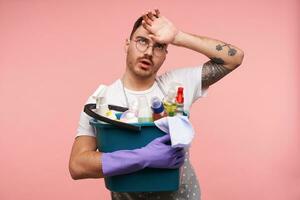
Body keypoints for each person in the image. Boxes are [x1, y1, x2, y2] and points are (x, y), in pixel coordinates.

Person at [69, 9, 244, 200]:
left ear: (165, 54)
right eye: (142, 41)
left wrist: (178, 36)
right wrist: (142, 158)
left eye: (159, 46)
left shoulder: (176, 86)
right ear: (127, 45)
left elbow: (233, 58)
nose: (149, 52)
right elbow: (77, 166)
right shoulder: (101, 100)